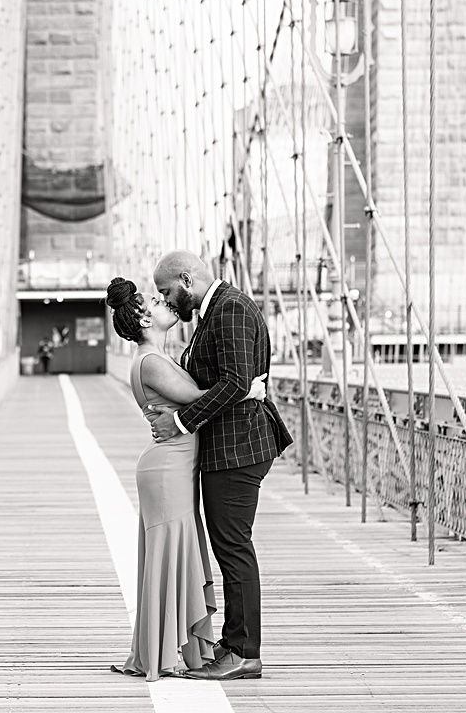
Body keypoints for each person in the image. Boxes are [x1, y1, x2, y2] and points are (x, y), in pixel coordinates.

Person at [104, 277, 267, 681]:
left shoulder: (157, 357)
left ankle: (166, 649)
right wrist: (248, 392)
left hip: (174, 465)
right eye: (158, 301)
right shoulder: (152, 361)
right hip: (167, 468)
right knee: (169, 556)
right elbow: (198, 397)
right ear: (144, 319)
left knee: (173, 556)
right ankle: (162, 653)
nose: (167, 305)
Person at [146, 251, 292, 681]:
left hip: (238, 449)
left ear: (187, 279)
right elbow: (231, 383)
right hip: (228, 447)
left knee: (233, 548)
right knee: (230, 547)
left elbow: (234, 382)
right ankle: (234, 645)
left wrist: (178, 421)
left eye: (167, 290)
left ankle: (245, 652)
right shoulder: (215, 312)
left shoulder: (229, 310)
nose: (167, 301)